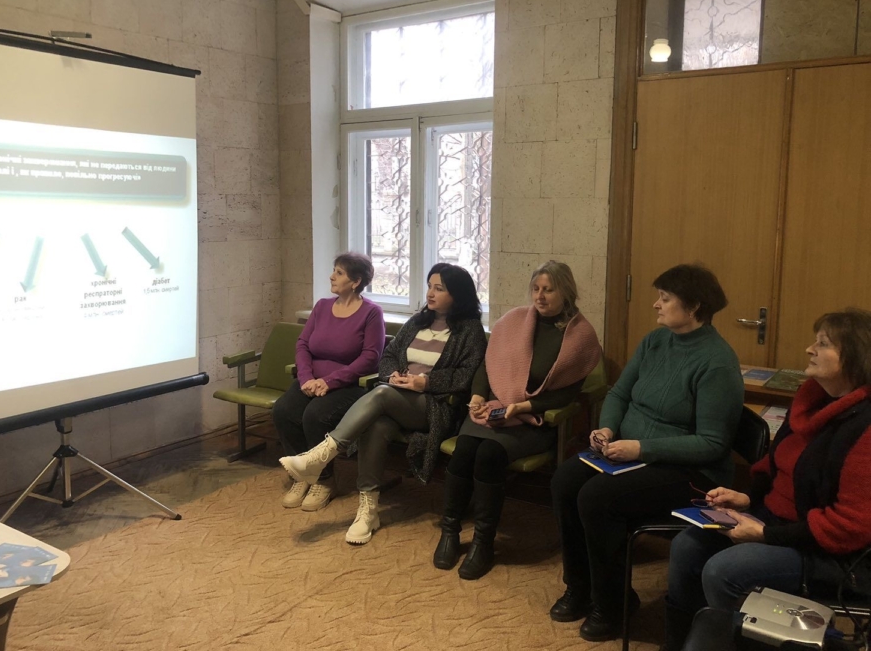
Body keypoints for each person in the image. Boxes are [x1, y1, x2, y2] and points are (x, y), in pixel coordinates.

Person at [549, 263, 744, 642]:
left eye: (665, 299)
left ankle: (614, 603)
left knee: (597, 498)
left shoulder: (717, 361)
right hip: (632, 453)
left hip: (691, 472)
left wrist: (642, 447)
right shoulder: (656, 341)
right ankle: (579, 587)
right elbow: (620, 393)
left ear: (694, 307)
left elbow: (712, 443)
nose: (656, 304)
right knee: (565, 480)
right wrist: (607, 428)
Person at [663, 308, 871, 651]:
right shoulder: (811, 399)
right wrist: (747, 499)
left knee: (724, 570)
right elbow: (775, 467)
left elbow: (848, 527)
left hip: (830, 552)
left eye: (822, 344)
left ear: (855, 356)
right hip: (778, 522)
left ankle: (735, 642)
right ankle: (687, 642)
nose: (810, 349)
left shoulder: (864, 427)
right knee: (688, 545)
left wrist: (764, 535)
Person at [279, 262, 486, 545]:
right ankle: (368, 510)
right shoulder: (418, 321)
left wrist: (425, 383)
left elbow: (467, 374)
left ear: (457, 295)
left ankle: (323, 454)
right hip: (396, 398)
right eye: (429, 286)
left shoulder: (470, 330)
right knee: (376, 425)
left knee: (381, 394)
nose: (430, 293)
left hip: (434, 406)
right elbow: (388, 356)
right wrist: (393, 375)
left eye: (439, 289)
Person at [434, 260, 602, 580]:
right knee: (464, 450)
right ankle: (450, 531)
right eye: (536, 289)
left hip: (534, 419)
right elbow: (487, 366)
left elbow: (566, 396)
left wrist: (522, 407)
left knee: (489, 454)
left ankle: (483, 541)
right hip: (495, 409)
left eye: (548, 290)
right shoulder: (513, 321)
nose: (540, 296)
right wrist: (478, 397)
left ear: (566, 292)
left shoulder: (580, 336)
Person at [271, 253, 385, 511]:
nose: (331, 276)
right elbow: (302, 344)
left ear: (356, 281)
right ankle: (301, 475)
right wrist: (306, 378)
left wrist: (330, 381)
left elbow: (370, 358)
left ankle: (323, 480)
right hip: (312, 381)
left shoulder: (371, 313)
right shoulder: (322, 306)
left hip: (349, 386)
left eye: (339, 273)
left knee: (315, 416)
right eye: (334, 270)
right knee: (283, 411)